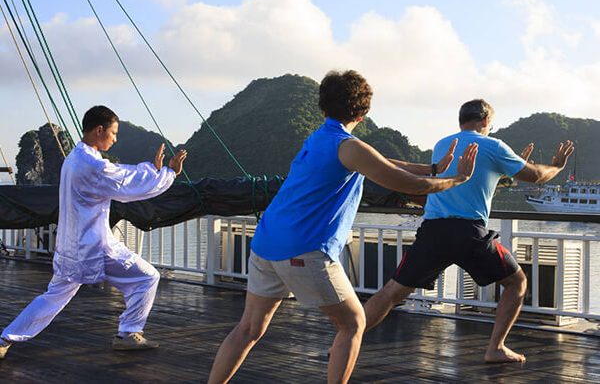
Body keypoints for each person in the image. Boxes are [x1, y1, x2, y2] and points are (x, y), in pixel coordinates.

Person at [208, 70, 478, 384]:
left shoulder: (320, 137)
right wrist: (457, 179)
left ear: (324, 107)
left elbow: (381, 161)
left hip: (266, 244)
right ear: (363, 113)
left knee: (248, 329)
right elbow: (404, 181)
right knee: (353, 324)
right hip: (304, 250)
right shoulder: (347, 147)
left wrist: (433, 167)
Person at [364, 98, 574, 364]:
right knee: (517, 282)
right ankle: (495, 347)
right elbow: (534, 175)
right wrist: (556, 166)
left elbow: (473, 184)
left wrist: (507, 169)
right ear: (486, 120)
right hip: (469, 233)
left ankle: (347, 339)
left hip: (434, 231)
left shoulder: (443, 144)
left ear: (461, 120)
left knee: (391, 292)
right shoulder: (493, 145)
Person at [0, 105, 187, 359]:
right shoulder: (91, 165)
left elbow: (121, 174)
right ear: (99, 130)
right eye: (113, 132)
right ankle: (128, 333)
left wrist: (152, 171)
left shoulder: (76, 158)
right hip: (94, 246)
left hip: (70, 246)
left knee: (53, 297)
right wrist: (167, 174)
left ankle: (5, 338)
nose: (115, 138)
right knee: (147, 278)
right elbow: (126, 183)